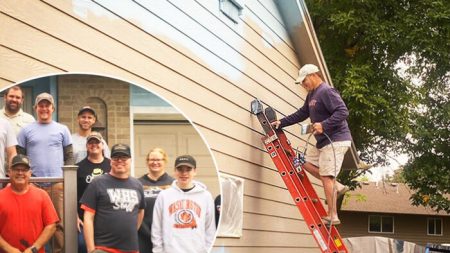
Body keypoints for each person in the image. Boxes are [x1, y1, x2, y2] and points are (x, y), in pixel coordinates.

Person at [271, 64, 352, 225]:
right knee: (301, 161)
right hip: (323, 143)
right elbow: (301, 114)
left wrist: (324, 124)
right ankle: (337, 185)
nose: (303, 84)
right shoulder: (312, 95)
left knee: (326, 176)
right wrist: (281, 123)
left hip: (336, 140)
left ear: (314, 75)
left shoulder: (326, 91)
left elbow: (343, 112)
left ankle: (333, 215)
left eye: (304, 81)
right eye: (301, 82)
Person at [16, 92, 73, 253]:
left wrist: (64, 181)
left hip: (57, 184)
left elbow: (69, 156)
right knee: (31, 223)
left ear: (52, 108)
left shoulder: (62, 129)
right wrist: (28, 180)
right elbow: (20, 158)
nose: (44, 108)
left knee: (58, 223)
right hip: (33, 184)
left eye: (47, 105)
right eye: (41, 105)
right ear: (35, 108)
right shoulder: (25, 131)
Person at [81, 143, 145, 253]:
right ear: (110, 161)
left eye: (124, 158)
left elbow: (140, 211)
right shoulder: (97, 182)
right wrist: (91, 250)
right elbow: (88, 218)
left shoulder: (137, 185)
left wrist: (130, 231)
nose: (120, 161)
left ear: (130, 161)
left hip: (131, 249)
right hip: (103, 248)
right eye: (116, 157)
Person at [152, 155, 216, 253]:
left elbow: (210, 229)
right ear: (175, 171)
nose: (184, 173)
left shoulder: (206, 196)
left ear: (195, 171)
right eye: (180, 169)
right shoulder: (164, 196)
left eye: (188, 169)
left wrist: (207, 250)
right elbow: (156, 228)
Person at [0, 154, 59, 253]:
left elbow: (51, 226)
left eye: (24, 170)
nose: (20, 173)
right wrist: (9, 249)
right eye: (16, 169)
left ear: (30, 173)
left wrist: (34, 249)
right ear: (9, 172)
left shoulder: (42, 195)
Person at [76, 132, 111, 253]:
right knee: (83, 245)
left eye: (97, 142)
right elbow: (72, 195)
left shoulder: (111, 165)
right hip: (83, 218)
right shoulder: (78, 168)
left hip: (108, 217)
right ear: (86, 146)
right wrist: (75, 216)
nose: (94, 145)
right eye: (90, 142)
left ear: (102, 145)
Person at [138, 148, 174, 253]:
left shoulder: (173, 184)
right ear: (147, 161)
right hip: (142, 234)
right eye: (152, 159)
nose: (155, 162)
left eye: (159, 160)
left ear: (165, 161)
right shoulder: (137, 183)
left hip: (166, 235)